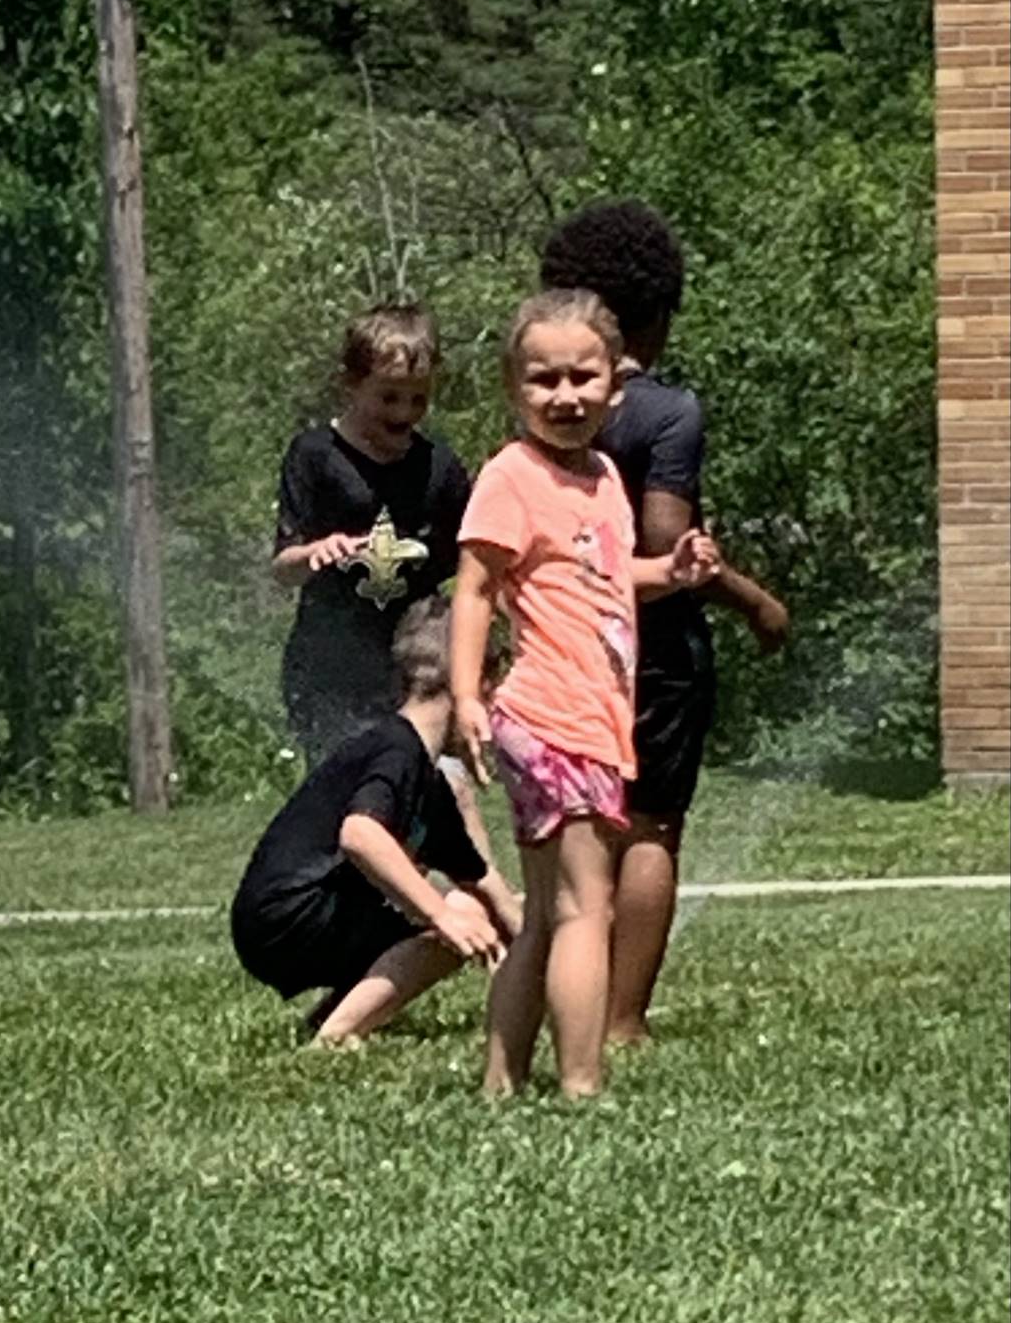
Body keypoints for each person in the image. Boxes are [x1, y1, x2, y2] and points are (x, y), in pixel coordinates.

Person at [452, 289, 718, 1098]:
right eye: (543, 380)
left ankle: (502, 1081)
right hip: (549, 715)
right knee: (584, 910)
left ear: (615, 384)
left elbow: (605, 578)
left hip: (596, 722)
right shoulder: (510, 476)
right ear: (512, 388)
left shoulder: (603, 475)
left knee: (549, 911)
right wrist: (467, 695)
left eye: (582, 377)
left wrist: (670, 574)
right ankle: (582, 1086)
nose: (565, 395)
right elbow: (474, 588)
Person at [540, 201, 790, 1043]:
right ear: (656, 312)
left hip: (566, 643)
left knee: (584, 823)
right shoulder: (667, 410)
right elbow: (664, 541)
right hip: (655, 652)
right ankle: (621, 1020)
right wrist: (754, 600)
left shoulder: (546, 406)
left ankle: (567, 991)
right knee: (651, 825)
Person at [270, 301, 507, 882]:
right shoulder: (315, 457)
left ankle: (468, 892)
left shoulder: (439, 470)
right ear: (350, 385)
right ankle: (335, 896)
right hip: (327, 666)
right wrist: (313, 554)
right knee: (346, 796)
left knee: (436, 787)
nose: (404, 413)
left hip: (414, 669)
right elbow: (283, 563)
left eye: (418, 398)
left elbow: (479, 565)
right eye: (389, 397)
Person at [231, 598, 519, 1045]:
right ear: (470, 685)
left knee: (471, 906)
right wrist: (441, 915)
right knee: (460, 913)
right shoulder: (396, 749)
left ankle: (328, 1020)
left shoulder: (430, 783)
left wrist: (546, 952)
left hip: (284, 919)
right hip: (287, 918)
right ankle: (337, 1036)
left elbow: (486, 884)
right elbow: (360, 835)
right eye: (494, 694)